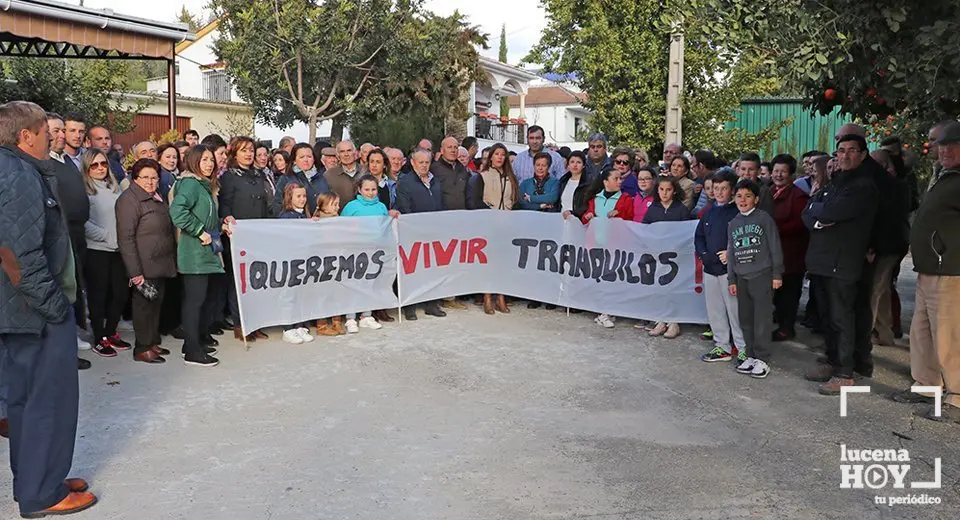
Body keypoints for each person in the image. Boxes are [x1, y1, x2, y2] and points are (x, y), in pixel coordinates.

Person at [0, 100, 98, 517]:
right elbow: (18, 253)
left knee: (25, 401)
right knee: (47, 402)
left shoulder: (12, 168)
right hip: (35, 312)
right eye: (47, 133)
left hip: (21, 310)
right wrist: (55, 307)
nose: (53, 138)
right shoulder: (19, 173)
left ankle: (37, 481)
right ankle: (43, 493)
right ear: (26, 136)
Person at [891, 121, 960, 424]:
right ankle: (927, 385)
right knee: (922, 332)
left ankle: (957, 397)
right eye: (941, 145)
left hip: (950, 269)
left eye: (952, 145)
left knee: (948, 335)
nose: (943, 150)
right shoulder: (943, 176)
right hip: (928, 267)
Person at [802, 134, 879, 395]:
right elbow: (809, 210)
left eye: (851, 151)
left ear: (863, 154)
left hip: (842, 262)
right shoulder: (835, 183)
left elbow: (830, 212)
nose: (844, 156)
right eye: (840, 151)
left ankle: (845, 372)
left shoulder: (862, 186)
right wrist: (818, 215)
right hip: (822, 261)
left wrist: (820, 212)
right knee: (827, 317)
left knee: (842, 318)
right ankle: (833, 361)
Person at [115, 158, 177, 364]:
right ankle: (142, 348)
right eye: (145, 178)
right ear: (135, 178)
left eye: (154, 178)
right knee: (143, 307)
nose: (150, 182)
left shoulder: (155, 197)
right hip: (143, 265)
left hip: (160, 263)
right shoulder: (129, 200)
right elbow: (125, 238)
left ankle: (152, 341)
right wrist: (135, 272)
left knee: (155, 305)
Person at [169, 145, 224, 367]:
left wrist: (221, 225)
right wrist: (199, 231)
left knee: (201, 300)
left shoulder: (204, 185)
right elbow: (177, 212)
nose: (209, 164)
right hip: (194, 254)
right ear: (193, 162)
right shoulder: (191, 184)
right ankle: (192, 351)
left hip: (205, 252)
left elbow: (206, 217)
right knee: (194, 301)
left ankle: (194, 342)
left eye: (211, 160)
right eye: (204, 160)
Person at [46, 113, 94, 359]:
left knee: (75, 285)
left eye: (62, 131)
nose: (61, 136)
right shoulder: (44, 163)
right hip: (60, 234)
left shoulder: (66, 161)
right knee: (63, 286)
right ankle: (65, 344)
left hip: (77, 232)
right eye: (55, 131)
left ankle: (72, 333)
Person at [727, 179, 784, 379]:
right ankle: (750, 355)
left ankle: (762, 359)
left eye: (748, 196)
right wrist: (731, 279)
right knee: (746, 319)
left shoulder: (763, 219)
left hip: (762, 274)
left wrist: (777, 273)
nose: (743, 200)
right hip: (741, 276)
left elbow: (775, 246)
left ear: (756, 199)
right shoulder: (733, 223)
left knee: (762, 318)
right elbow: (731, 252)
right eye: (739, 196)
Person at [219, 136, 270, 342]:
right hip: (238, 235)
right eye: (243, 150)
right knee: (238, 281)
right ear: (235, 154)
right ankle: (240, 324)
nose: (248, 154)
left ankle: (255, 322)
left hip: (258, 233)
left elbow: (266, 204)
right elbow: (225, 204)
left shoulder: (259, 175)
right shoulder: (229, 176)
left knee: (256, 279)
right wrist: (227, 218)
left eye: (251, 150)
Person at [81, 148, 131, 357]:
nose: (100, 168)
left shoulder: (115, 187)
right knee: (98, 295)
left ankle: (111, 331)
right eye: (94, 165)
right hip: (97, 250)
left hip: (119, 249)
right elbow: (82, 221)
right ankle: (99, 337)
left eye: (103, 164)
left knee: (120, 293)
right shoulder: (84, 190)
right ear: (87, 168)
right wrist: (105, 236)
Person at [696, 169, 747, 363]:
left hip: (730, 272)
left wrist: (731, 253)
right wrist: (703, 254)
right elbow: (699, 236)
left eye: (723, 188)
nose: (718, 192)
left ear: (732, 190)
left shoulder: (738, 213)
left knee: (735, 311)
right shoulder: (709, 212)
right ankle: (722, 346)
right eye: (716, 188)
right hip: (710, 268)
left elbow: (744, 238)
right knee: (715, 310)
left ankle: (742, 347)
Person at [341, 174, 402, 331]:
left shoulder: (381, 207)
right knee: (354, 284)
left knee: (370, 283)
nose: (370, 192)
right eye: (366, 189)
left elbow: (385, 226)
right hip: (355, 252)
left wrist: (391, 215)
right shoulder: (351, 207)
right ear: (359, 190)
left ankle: (366, 315)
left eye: (374, 189)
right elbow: (340, 226)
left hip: (375, 253)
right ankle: (350, 317)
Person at [394, 149, 447, 320]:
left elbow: (441, 205)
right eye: (421, 162)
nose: (424, 165)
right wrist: (413, 227)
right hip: (413, 232)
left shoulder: (436, 181)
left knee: (432, 269)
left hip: (435, 231)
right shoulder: (405, 182)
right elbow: (404, 207)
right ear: (413, 163)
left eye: (427, 162)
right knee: (412, 270)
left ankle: (431, 304)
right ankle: (410, 307)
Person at [581, 168, 634, 328]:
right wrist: (587, 216)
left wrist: (620, 213)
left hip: (615, 245)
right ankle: (603, 311)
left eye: (620, 178)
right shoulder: (595, 199)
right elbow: (585, 219)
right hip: (596, 244)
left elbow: (630, 218)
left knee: (611, 279)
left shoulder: (626, 198)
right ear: (606, 182)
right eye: (616, 178)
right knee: (599, 278)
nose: (620, 181)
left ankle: (606, 311)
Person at [642, 176, 690, 338]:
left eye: (668, 189)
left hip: (676, 257)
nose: (664, 193)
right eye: (661, 189)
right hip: (657, 256)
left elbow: (687, 233)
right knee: (659, 288)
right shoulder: (653, 209)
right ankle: (661, 320)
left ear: (674, 191)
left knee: (674, 288)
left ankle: (674, 322)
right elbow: (644, 229)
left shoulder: (681, 210)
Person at [768, 154, 809, 342]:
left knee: (789, 293)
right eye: (775, 171)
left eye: (783, 172)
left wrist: (773, 229)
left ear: (791, 174)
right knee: (775, 293)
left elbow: (800, 223)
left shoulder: (798, 195)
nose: (778, 175)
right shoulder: (767, 192)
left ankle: (787, 327)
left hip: (790, 253)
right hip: (770, 253)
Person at [277, 183, 317, 345]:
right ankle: (288, 327)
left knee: (301, 294)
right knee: (289, 295)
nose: (302, 199)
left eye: (304, 196)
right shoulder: (285, 216)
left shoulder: (305, 216)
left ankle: (300, 325)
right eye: (298, 196)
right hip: (290, 261)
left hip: (304, 261)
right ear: (290, 198)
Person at [311, 192, 348, 336]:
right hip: (322, 263)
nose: (337, 207)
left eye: (338, 204)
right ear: (324, 207)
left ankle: (336, 320)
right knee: (322, 293)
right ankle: (321, 324)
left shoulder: (339, 220)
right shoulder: (317, 222)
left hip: (337, 259)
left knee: (336, 292)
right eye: (334, 205)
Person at [275, 143, 330, 215]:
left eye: (309, 156)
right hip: (296, 223)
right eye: (302, 157)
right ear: (294, 160)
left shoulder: (322, 178)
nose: (306, 160)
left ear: (314, 159)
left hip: (321, 223)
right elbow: (277, 205)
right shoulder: (286, 179)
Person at [432, 136, 471, 212]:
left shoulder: (462, 169)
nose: (453, 150)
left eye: (455, 147)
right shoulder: (434, 169)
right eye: (449, 147)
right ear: (442, 150)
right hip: (443, 215)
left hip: (462, 215)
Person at [324, 140, 366, 208]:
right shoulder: (329, 175)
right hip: (340, 217)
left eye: (349, 150)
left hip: (364, 216)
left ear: (355, 153)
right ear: (338, 155)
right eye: (342, 151)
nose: (346, 154)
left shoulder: (365, 171)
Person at [557, 150, 592, 221]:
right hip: (561, 220)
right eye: (572, 162)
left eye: (578, 162)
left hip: (578, 221)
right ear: (568, 165)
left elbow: (588, 205)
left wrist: (573, 213)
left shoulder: (588, 183)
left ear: (583, 165)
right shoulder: (563, 181)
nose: (575, 165)